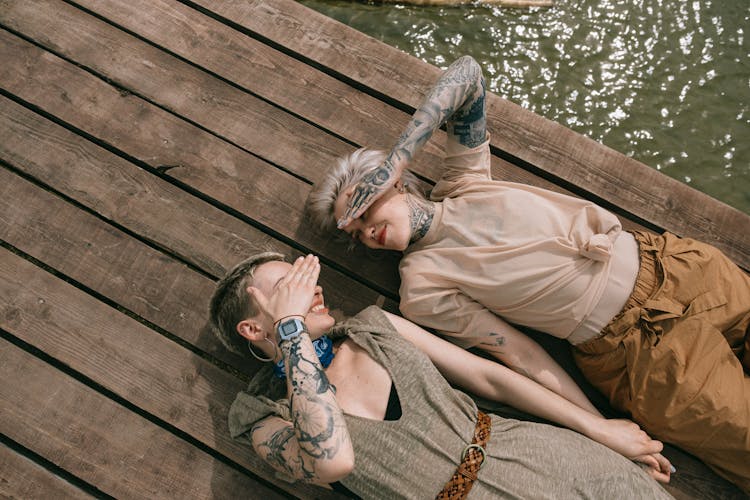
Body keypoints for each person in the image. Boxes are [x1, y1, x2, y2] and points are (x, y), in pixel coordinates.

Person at [306, 55, 750, 492]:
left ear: (393, 182)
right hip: (645, 355)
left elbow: (468, 75)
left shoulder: (464, 180)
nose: (368, 231)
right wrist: (601, 430)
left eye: (365, 208)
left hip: (682, 268)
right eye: (357, 232)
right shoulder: (422, 286)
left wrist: (399, 155)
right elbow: (520, 355)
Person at [209, 253, 674, 498]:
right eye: (289, 286)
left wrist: (598, 430)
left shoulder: (375, 326)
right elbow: (332, 462)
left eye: (306, 277)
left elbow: (488, 377)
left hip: (544, 456)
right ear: (252, 328)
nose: (311, 289)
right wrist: (291, 331)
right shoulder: (262, 417)